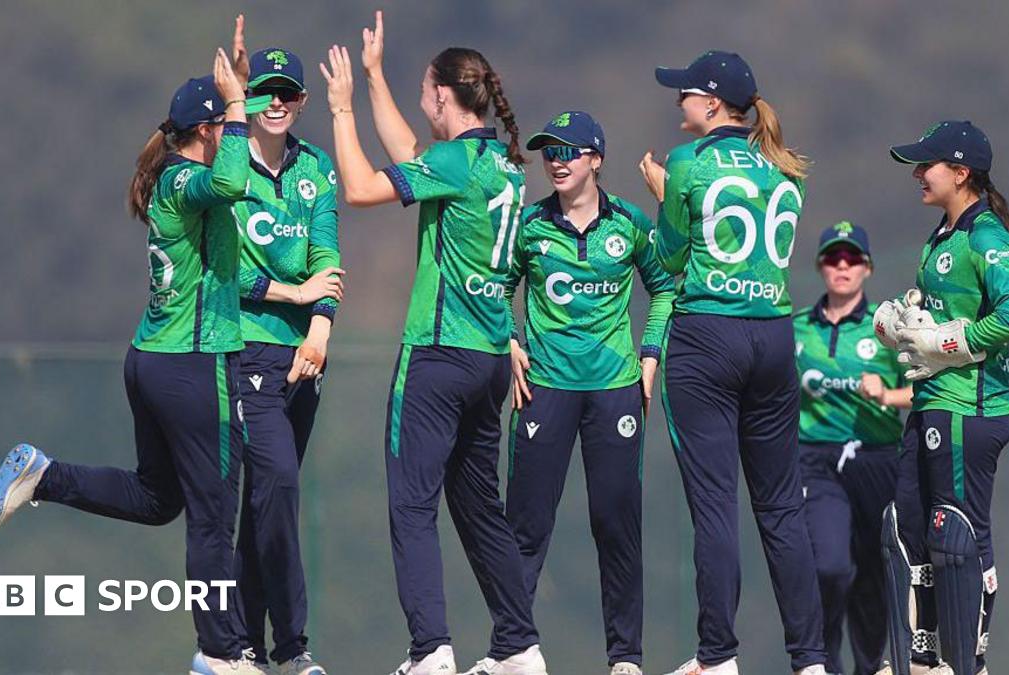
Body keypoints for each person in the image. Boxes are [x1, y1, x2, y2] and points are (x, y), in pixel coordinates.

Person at [0, 23, 281, 675]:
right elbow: (230, 182)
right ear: (206, 132)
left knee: (157, 497)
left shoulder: (181, 164)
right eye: (228, 122)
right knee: (211, 516)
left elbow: (235, 147)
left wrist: (241, 91)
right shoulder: (185, 184)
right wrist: (232, 107)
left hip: (154, 362)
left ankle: (43, 475)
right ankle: (223, 653)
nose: (241, 128)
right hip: (195, 367)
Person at [318, 12, 546, 675]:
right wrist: (374, 79)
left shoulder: (455, 161)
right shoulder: (501, 165)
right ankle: (519, 647)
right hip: (488, 360)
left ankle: (431, 652)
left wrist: (340, 111)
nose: (423, 102)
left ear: (444, 95)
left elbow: (363, 187)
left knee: (410, 502)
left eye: (424, 91)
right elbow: (416, 158)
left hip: (437, 354)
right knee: (478, 505)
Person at [637, 50, 827, 675]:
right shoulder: (785, 169)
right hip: (774, 337)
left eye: (685, 93)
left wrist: (665, 195)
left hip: (707, 338)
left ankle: (717, 657)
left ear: (713, 103)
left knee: (716, 505)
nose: (678, 102)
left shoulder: (690, 162)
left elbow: (666, 260)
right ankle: (811, 659)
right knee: (780, 507)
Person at [504, 111, 675, 675]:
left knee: (616, 524)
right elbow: (493, 286)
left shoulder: (628, 224)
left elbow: (666, 288)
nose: (556, 161)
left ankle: (625, 659)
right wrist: (509, 340)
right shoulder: (528, 226)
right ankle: (512, 650)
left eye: (569, 152)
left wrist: (650, 358)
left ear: (596, 160)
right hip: (544, 389)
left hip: (614, 391)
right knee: (525, 525)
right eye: (549, 152)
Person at [876, 121, 1009, 675]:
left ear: (961, 173)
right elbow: (938, 308)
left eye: (928, 165)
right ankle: (926, 650)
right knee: (909, 521)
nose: (918, 174)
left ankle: (971, 656)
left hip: (973, 406)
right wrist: (901, 316)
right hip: (932, 399)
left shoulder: (986, 235)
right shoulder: (942, 234)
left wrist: (957, 340)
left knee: (958, 533)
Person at [225, 43, 345, 675]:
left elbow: (326, 254)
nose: (275, 102)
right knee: (279, 483)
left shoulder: (316, 169)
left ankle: (239, 645)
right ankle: (293, 648)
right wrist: (291, 293)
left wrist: (319, 330)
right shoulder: (229, 167)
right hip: (246, 348)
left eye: (286, 93)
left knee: (266, 500)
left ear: (300, 103)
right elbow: (227, 271)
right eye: (263, 90)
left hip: (305, 355)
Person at [793, 223, 912, 675]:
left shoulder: (888, 327)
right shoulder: (798, 329)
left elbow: (922, 393)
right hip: (817, 460)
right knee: (830, 566)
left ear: (867, 268)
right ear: (821, 265)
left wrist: (885, 395)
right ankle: (821, 662)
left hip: (878, 457)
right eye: (832, 258)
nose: (842, 266)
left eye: (851, 258)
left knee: (873, 574)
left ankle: (872, 665)